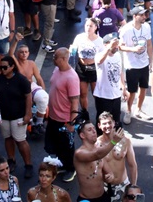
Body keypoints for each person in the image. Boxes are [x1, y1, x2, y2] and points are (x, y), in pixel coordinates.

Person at [0, 55, 34, 179]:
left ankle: (28, 165)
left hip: (18, 116)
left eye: (5, 67)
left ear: (12, 67)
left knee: (20, 140)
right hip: (3, 116)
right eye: (0, 67)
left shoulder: (22, 80)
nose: (2, 70)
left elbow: (28, 97)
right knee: (8, 138)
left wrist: (28, 114)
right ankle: (11, 160)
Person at [46, 48, 81, 180]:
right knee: (57, 145)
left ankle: (71, 169)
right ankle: (62, 164)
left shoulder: (72, 78)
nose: (53, 59)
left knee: (67, 146)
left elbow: (74, 102)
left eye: (56, 57)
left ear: (64, 59)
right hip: (53, 116)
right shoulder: (56, 70)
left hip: (64, 119)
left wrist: (72, 123)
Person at [73, 122, 126, 202]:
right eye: (89, 130)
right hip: (87, 199)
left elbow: (109, 172)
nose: (94, 131)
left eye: (94, 128)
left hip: (103, 196)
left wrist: (110, 177)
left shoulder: (99, 151)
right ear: (82, 135)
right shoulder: (79, 153)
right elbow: (96, 155)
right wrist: (113, 142)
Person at [119, 6, 153, 124]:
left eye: (145, 15)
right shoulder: (126, 30)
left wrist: (151, 61)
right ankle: (128, 111)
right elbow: (120, 46)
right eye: (142, 15)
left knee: (143, 88)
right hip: (132, 66)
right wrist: (133, 49)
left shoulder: (146, 27)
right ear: (134, 16)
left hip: (144, 64)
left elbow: (149, 44)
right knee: (132, 91)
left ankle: (138, 109)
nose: (144, 17)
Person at [96, 111, 138, 202]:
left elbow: (132, 165)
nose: (107, 126)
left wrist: (133, 186)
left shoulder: (125, 141)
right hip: (104, 187)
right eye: (104, 124)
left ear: (114, 123)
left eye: (109, 122)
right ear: (99, 125)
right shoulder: (96, 145)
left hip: (123, 185)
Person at [70, 17, 105, 120]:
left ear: (95, 27)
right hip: (81, 68)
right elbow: (73, 52)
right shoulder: (79, 37)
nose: (88, 28)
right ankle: (85, 114)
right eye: (87, 25)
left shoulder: (100, 40)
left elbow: (103, 57)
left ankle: (100, 114)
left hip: (94, 69)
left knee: (96, 93)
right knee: (83, 93)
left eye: (91, 26)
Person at [95, 33, 126, 125]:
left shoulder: (118, 56)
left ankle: (114, 139)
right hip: (103, 96)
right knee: (103, 122)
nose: (116, 46)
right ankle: (101, 139)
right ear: (105, 44)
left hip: (116, 95)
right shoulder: (99, 55)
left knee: (115, 122)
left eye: (116, 43)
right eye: (113, 44)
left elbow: (120, 71)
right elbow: (99, 61)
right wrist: (109, 48)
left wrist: (123, 87)